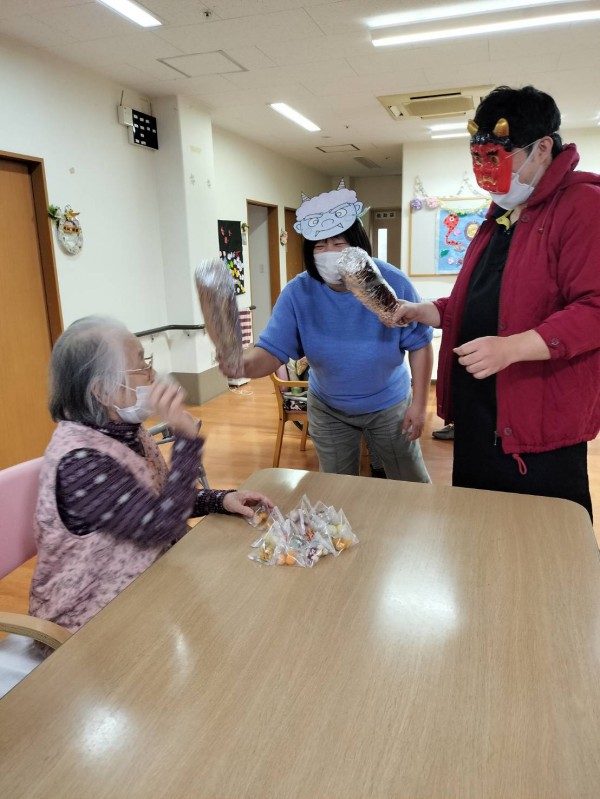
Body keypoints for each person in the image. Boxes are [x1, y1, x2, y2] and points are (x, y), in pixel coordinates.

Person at [393, 85, 600, 519]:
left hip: (536, 419)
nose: (486, 173)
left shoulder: (582, 205)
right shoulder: (500, 216)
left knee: (541, 539)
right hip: (478, 413)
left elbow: (594, 308)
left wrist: (512, 348)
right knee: (477, 532)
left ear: (542, 148)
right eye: (479, 159)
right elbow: (486, 296)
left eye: (497, 158)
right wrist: (430, 312)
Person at [30, 316, 273, 636]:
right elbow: (160, 524)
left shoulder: (125, 431)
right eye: (142, 365)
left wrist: (221, 500)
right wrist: (185, 439)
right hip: (89, 619)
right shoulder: (81, 464)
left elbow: (157, 498)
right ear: (103, 391)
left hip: (147, 586)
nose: (153, 375)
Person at [219, 181, 433, 482]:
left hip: (389, 404)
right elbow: (271, 352)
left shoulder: (392, 282)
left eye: (338, 243)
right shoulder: (298, 292)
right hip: (329, 408)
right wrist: (241, 365)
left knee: (410, 481)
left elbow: (420, 344)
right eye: (319, 246)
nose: (329, 253)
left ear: (358, 245)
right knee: (335, 486)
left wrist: (420, 405)